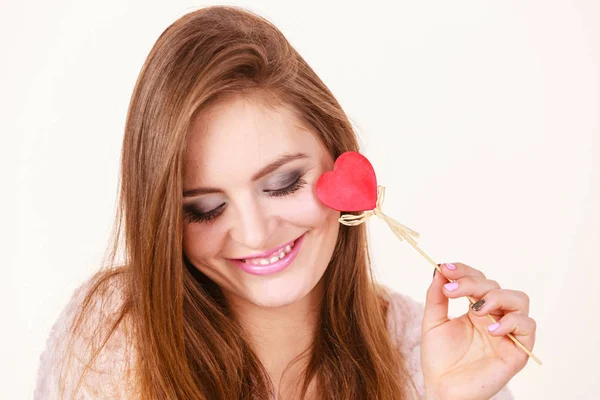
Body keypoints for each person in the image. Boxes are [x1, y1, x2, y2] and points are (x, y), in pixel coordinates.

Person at [34, 5, 535, 399]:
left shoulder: (421, 352)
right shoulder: (114, 337)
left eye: (283, 183)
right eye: (204, 209)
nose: (254, 233)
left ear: (338, 156)